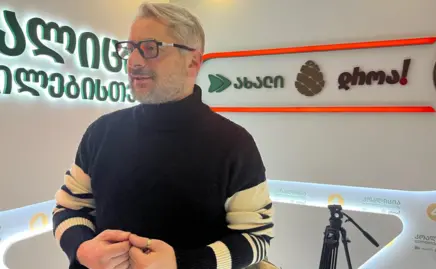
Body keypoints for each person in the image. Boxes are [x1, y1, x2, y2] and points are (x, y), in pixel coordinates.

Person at [51, 2, 275, 269]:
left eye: (150, 48)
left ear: (193, 61)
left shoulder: (235, 144)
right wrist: (81, 248)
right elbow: (69, 208)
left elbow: (255, 238)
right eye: (130, 49)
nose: (134, 62)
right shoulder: (102, 131)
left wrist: (183, 264)